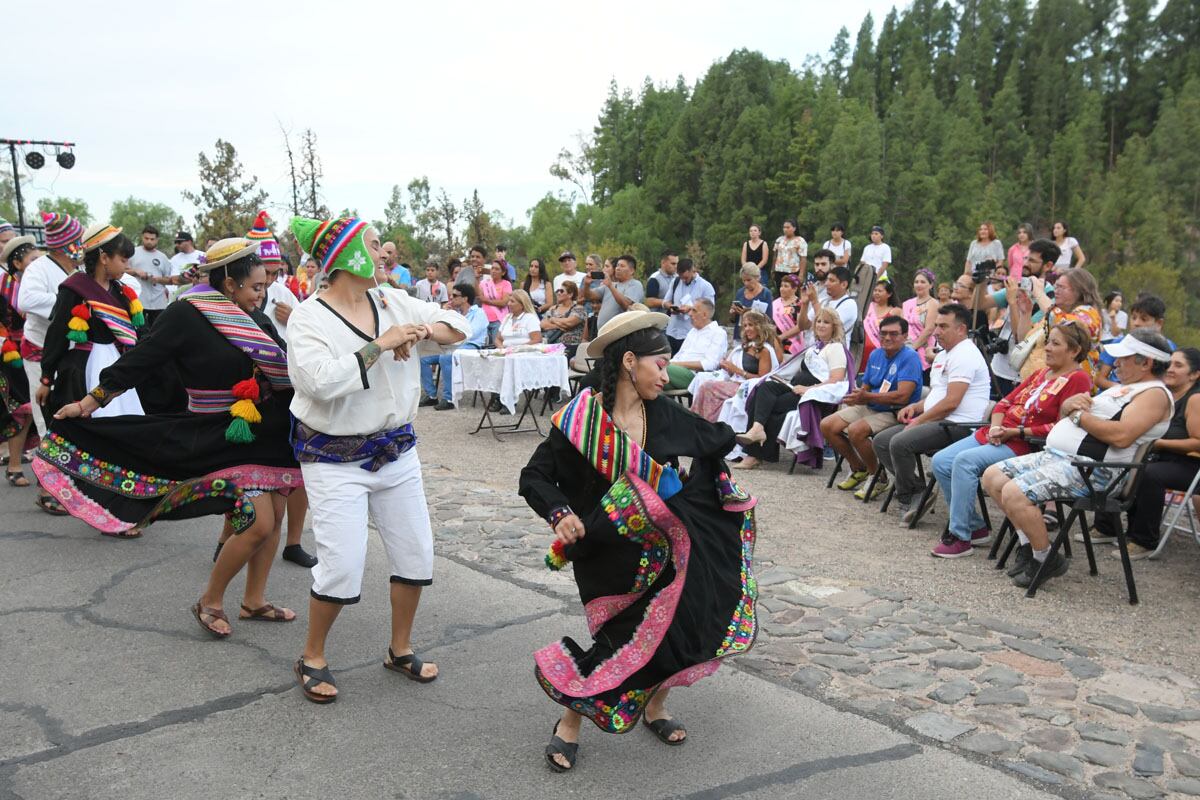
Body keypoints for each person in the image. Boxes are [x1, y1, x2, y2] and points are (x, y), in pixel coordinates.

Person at [518, 308, 758, 772]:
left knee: (679, 621)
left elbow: (711, 439)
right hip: (605, 550)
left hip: (664, 544)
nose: (667, 376)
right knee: (619, 637)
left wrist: (751, 436)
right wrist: (560, 512)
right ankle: (570, 722)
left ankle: (655, 706)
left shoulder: (665, 414)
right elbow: (534, 477)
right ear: (630, 361)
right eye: (660, 364)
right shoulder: (579, 421)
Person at [35, 237, 303, 634]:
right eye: (256, 287)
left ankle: (254, 601)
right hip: (216, 434)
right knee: (259, 523)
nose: (260, 296)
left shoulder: (255, 319)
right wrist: (90, 402)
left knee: (276, 515)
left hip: (265, 430)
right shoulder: (186, 314)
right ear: (229, 284)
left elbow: (288, 368)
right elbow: (140, 362)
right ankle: (210, 600)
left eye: (264, 287)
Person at [284, 215, 469, 704]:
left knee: (416, 553)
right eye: (372, 244)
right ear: (346, 256)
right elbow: (318, 382)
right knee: (342, 564)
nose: (384, 252)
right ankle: (313, 656)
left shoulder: (392, 299)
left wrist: (423, 328)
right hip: (333, 459)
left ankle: (399, 648)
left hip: (396, 451)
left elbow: (461, 325)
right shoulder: (308, 317)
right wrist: (379, 347)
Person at [982, 328, 1173, 589]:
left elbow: (1121, 437)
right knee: (993, 477)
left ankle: (1045, 557)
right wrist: (1068, 407)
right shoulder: (1126, 389)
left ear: (1146, 363)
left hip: (1096, 470)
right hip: (1065, 458)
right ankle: (1029, 547)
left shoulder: (1154, 394)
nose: (1115, 363)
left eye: (1124, 358)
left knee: (1015, 492)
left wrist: (1077, 415)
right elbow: (1068, 411)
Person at [930, 321, 1093, 558]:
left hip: (1024, 444)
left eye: (1055, 344)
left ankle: (959, 537)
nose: (1046, 348)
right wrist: (996, 427)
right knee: (941, 461)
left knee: (964, 462)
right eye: (1047, 342)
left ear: (1074, 350)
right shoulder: (1040, 373)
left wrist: (1015, 433)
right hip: (998, 433)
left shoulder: (1078, 380)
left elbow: (1061, 428)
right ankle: (975, 527)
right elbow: (1005, 403)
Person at [872, 304, 992, 522]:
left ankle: (909, 496)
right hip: (939, 419)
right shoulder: (945, 354)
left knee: (900, 442)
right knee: (881, 441)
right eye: (936, 325)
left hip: (959, 426)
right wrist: (916, 408)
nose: (936, 331)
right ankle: (919, 490)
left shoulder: (966, 354)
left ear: (961, 329)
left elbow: (951, 402)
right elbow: (939, 395)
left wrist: (918, 421)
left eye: (943, 326)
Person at [1091, 348, 1200, 559]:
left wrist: (1159, 443)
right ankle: (1106, 527)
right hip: (1157, 457)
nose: (1171, 369)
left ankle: (1144, 539)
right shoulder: (1158, 393)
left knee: (1147, 472)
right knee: (1118, 456)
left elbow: (1198, 443)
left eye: (1179, 365)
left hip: (1188, 465)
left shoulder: (1195, 400)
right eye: (1170, 364)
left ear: (1195, 374)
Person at [38, 223, 146, 422]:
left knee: (122, 420)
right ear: (104, 258)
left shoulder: (122, 292)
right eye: (123, 260)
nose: (127, 266)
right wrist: (46, 378)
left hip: (116, 366)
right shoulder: (74, 290)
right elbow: (57, 334)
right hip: (84, 367)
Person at [822, 314, 923, 500]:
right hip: (871, 404)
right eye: (883, 333)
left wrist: (866, 396)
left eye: (894, 334)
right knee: (827, 425)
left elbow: (903, 396)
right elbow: (867, 385)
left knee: (856, 430)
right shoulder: (876, 354)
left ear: (905, 336)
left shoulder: (910, 358)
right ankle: (859, 468)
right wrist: (856, 396)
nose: (887, 338)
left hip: (896, 411)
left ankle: (878, 477)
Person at [734, 308, 849, 470]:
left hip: (813, 396)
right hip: (796, 388)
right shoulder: (815, 347)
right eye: (818, 321)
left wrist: (808, 388)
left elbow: (836, 380)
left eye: (826, 322)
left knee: (767, 406)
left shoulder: (836, 348)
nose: (821, 325)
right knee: (764, 387)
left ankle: (753, 454)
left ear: (834, 327)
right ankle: (757, 429)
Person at [18, 212, 82, 449]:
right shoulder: (39, 268)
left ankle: (70, 463)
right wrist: (66, 304)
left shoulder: (79, 269)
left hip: (71, 351)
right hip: (40, 351)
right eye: (79, 240)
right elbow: (26, 300)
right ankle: (49, 469)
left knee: (70, 407)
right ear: (68, 245)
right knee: (44, 410)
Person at [1011, 266, 1103, 380]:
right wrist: (1026, 313)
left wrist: (1038, 292)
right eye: (1055, 286)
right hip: (1038, 385)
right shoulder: (1056, 311)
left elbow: (1066, 324)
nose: (1056, 290)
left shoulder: (1089, 314)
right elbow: (1025, 341)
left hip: (1070, 385)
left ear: (1080, 291)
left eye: (1061, 287)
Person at [0, 235, 39, 496]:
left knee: (37, 409)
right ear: (17, 262)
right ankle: (14, 466)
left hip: (36, 350)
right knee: (21, 409)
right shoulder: (5, 288)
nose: (38, 263)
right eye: (32, 259)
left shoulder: (36, 284)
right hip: (11, 354)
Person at [691, 310, 782, 421]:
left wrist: (737, 370)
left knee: (707, 387)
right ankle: (699, 422)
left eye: (751, 325)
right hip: (735, 382)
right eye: (745, 326)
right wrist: (727, 367)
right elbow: (732, 371)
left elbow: (762, 379)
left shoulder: (764, 350)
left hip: (747, 388)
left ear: (760, 326)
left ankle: (703, 424)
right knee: (704, 384)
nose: (747, 328)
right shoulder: (744, 346)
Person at [420, 283, 488, 411]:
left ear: (465, 298)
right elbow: (438, 329)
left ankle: (449, 398)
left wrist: (452, 336)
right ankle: (431, 395)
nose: (451, 298)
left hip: (471, 347)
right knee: (423, 358)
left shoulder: (478, 313)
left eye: (455, 295)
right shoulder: (453, 313)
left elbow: (471, 333)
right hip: (450, 346)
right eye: (451, 295)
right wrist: (444, 313)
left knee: (446, 358)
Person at [1095, 294, 1173, 390]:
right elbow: (1099, 379)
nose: (1136, 323)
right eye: (1134, 317)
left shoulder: (1167, 349)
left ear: (1159, 323)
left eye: (1144, 319)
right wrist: (1123, 390)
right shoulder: (1118, 343)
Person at [665, 299, 726, 390]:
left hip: (696, 377)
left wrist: (675, 364)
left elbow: (710, 364)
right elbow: (679, 356)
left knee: (660, 369)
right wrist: (670, 363)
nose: (690, 314)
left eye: (694, 310)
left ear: (704, 315)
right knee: (650, 380)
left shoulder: (718, 333)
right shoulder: (693, 331)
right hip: (677, 371)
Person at [126, 225, 179, 328]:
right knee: (140, 333)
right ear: (142, 237)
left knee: (157, 332)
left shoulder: (162, 257)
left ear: (157, 240)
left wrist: (157, 279)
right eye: (146, 238)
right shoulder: (133, 252)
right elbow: (121, 272)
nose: (149, 241)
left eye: (152, 239)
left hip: (158, 303)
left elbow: (170, 280)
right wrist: (136, 271)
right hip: (138, 301)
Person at [662, 259, 715, 354]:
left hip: (691, 333)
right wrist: (672, 307)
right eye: (681, 277)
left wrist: (690, 309)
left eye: (686, 277)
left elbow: (710, 311)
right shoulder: (676, 281)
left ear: (692, 270)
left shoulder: (705, 286)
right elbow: (666, 301)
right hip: (672, 331)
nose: (683, 280)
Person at [589, 254, 644, 330]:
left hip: (620, 334)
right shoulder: (611, 285)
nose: (618, 268)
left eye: (622, 266)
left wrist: (610, 286)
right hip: (603, 333)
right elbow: (590, 296)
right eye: (617, 265)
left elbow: (627, 305)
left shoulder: (635, 284)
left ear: (632, 270)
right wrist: (586, 284)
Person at [861, 281, 901, 370]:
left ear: (889, 294)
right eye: (875, 290)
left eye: (880, 291)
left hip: (883, 351)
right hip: (862, 351)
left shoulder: (895, 311)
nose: (876, 293)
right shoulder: (867, 307)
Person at [540, 281, 586, 358]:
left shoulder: (578, 309)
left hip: (570, 346)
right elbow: (543, 325)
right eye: (558, 291)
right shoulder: (553, 308)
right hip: (552, 343)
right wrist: (562, 326)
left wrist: (553, 319)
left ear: (570, 294)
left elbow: (569, 323)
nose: (558, 293)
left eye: (561, 291)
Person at [729, 263, 772, 340]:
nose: (746, 283)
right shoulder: (740, 292)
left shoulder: (765, 294)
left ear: (757, 278)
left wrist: (748, 312)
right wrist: (733, 313)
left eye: (749, 280)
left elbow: (768, 320)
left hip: (757, 338)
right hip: (740, 336)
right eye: (744, 280)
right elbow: (733, 320)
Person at [478, 261, 513, 344]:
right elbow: (479, 297)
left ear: (503, 272)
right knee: (484, 346)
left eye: (497, 269)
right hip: (484, 320)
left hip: (499, 320)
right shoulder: (484, 283)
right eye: (492, 268)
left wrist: (486, 300)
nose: (493, 271)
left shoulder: (506, 284)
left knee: (496, 345)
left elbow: (504, 303)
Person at [772, 219, 806, 294]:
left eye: (788, 227)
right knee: (780, 292)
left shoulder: (800, 241)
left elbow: (803, 258)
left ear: (794, 228)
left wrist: (801, 274)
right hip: (779, 270)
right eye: (784, 227)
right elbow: (775, 255)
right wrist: (773, 269)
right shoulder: (779, 240)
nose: (785, 229)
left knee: (793, 292)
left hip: (793, 271)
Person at [772, 274, 803, 356]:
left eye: (786, 286)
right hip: (775, 342)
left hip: (792, 343)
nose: (782, 289)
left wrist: (782, 337)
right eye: (781, 286)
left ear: (794, 289)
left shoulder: (800, 304)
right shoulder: (775, 303)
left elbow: (800, 326)